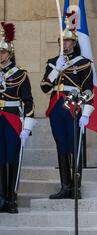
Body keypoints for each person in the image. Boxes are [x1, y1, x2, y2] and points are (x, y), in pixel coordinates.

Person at [41, 14, 94, 200]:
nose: (65, 44)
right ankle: (65, 186)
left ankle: (76, 187)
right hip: (56, 103)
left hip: (73, 103)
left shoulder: (83, 63)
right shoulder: (52, 62)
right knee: (61, 145)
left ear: (74, 43)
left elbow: (88, 89)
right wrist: (56, 69)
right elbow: (44, 87)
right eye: (62, 40)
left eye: (68, 41)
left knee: (75, 145)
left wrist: (85, 107)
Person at [0, 22, 37, 214]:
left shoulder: (20, 74)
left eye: (3, 52)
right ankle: (1, 197)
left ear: (10, 53)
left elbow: (28, 102)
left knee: (12, 159)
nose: (1, 56)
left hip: (13, 119)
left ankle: (11, 198)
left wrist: (27, 125)